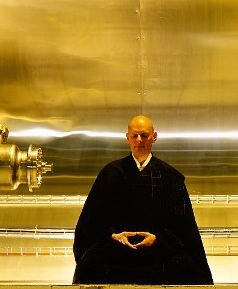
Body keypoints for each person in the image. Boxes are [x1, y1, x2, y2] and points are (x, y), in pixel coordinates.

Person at [72, 115, 213, 285]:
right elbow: (91, 221)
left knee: (189, 271)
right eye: (134, 136)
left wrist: (157, 239)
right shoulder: (110, 173)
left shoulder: (169, 177)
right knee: (89, 268)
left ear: (154, 137)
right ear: (127, 138)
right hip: (116, 253)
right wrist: (114, 236)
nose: (139, 140)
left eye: (144, 136)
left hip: (159, 253)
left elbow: (183, 226)